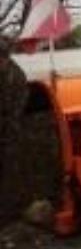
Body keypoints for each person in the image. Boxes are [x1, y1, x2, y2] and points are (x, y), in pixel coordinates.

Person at [0, 36, 29, 212]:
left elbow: (16, 109)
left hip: (10, 131)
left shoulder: (16, 76)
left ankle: (10, 209)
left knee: (10, 170)